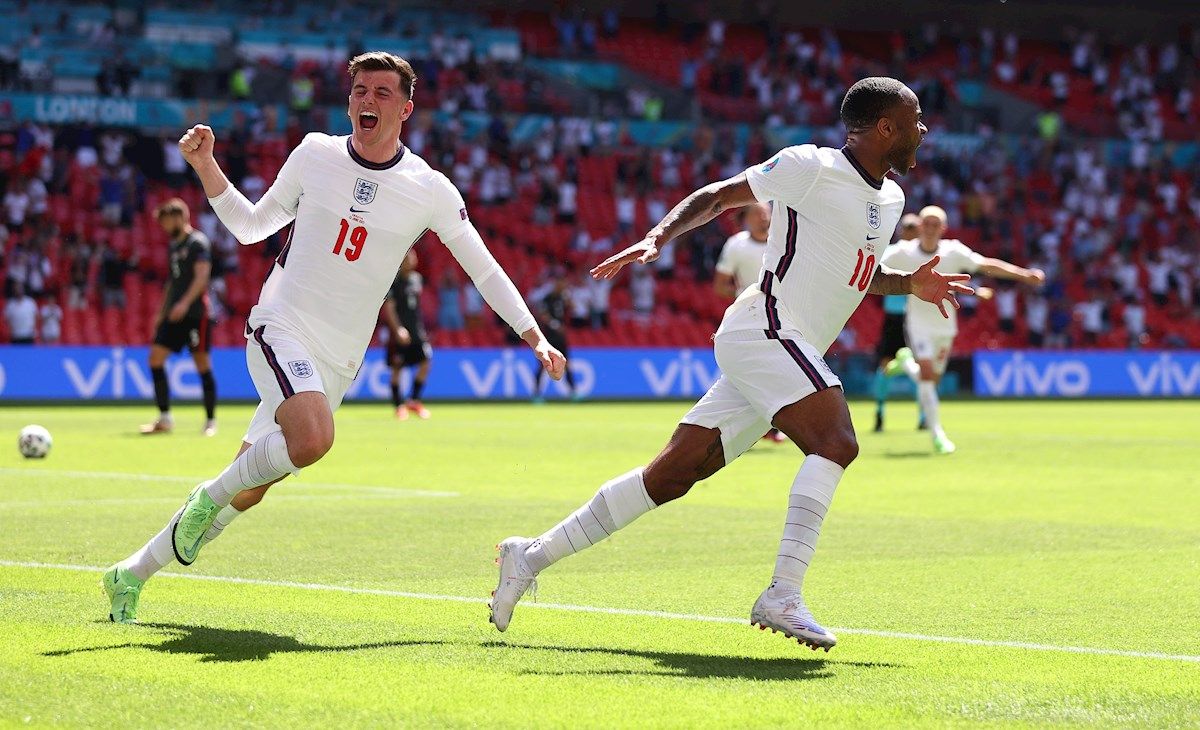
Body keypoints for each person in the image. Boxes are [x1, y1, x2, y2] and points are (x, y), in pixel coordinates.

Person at [491, 77, 968, 651]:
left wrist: (906, 283)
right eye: (914, 120)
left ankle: (530, 555)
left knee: (667, 478)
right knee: (837, 441)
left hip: (787, 347)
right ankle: (783, 595)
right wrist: (657, 237)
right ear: (885, 127)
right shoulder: (808, 166)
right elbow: (719, 196)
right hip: (764, 329)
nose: (922, 129)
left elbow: (853, 276)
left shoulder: (891, 200)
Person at [103, 51, 565, 624]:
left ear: (406, 108)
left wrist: (534, 335)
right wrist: (206, 167)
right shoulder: (315, 154)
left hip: (340, 358)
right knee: (315, 437)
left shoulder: (428, 188)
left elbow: (484, 268)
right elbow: (251, 227)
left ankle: (130, 574)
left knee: (250, 486)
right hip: (281, 324)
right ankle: (207, 500)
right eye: (359, 92)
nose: (367, 101)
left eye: (381, 94)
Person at [881, 205, 1043, 454]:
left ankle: (906, 365)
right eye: (927, 223)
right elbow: (871, 261)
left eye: (936, 224)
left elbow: (986, 264)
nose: (931, 229)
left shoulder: (954, 252)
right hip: (918, 324)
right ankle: (938, 435)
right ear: (920, 226)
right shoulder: (902, 252)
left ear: (943, 229)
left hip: (945, 326)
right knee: (927, 376)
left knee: (931, 381)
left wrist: (1023, 274)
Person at [140, 198, 219, 437]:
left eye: (165, 221)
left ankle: (210, 421)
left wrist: (184, 304)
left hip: (195, 315)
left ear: (178, 217)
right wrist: (161, 313)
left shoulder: (198, 243)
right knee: (155, 359)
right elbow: (172, 283)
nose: (163, 227)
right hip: (175, 315)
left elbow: (202, 277)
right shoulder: (174, 246)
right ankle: (164, 419)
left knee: (201, 364)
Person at [713, 201, 788, 443]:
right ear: (746, 218)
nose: (763, 218)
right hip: (747, 317)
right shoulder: (736, 245)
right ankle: (753, 427)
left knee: (776, 371)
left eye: (766, 213)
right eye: (757, 214)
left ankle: (767, 426)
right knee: (750, 374)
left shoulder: (783, 241)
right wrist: (744, 296)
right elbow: (720, 284)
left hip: (782, 315)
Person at [872, 212, 920, 433]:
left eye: (914, 228)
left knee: (921, 367)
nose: (911, 232)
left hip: (916, 318)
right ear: (901, 231)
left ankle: (923, 415)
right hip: (894, 317)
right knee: (885, 366)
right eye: (908, 228)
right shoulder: (891, 252)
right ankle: (880, 413)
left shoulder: (923, 256)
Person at [382, 249, 433, 420]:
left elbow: (415, 308)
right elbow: (389, 307)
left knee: (425, 362)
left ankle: (414, 401)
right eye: (407, 258)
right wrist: (397, 329)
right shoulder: (394, 281)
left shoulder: (417, 279)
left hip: (417, 331)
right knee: (398, 368)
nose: (411, 261)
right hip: (400, 331)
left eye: (413, 258)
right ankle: (399, 406)